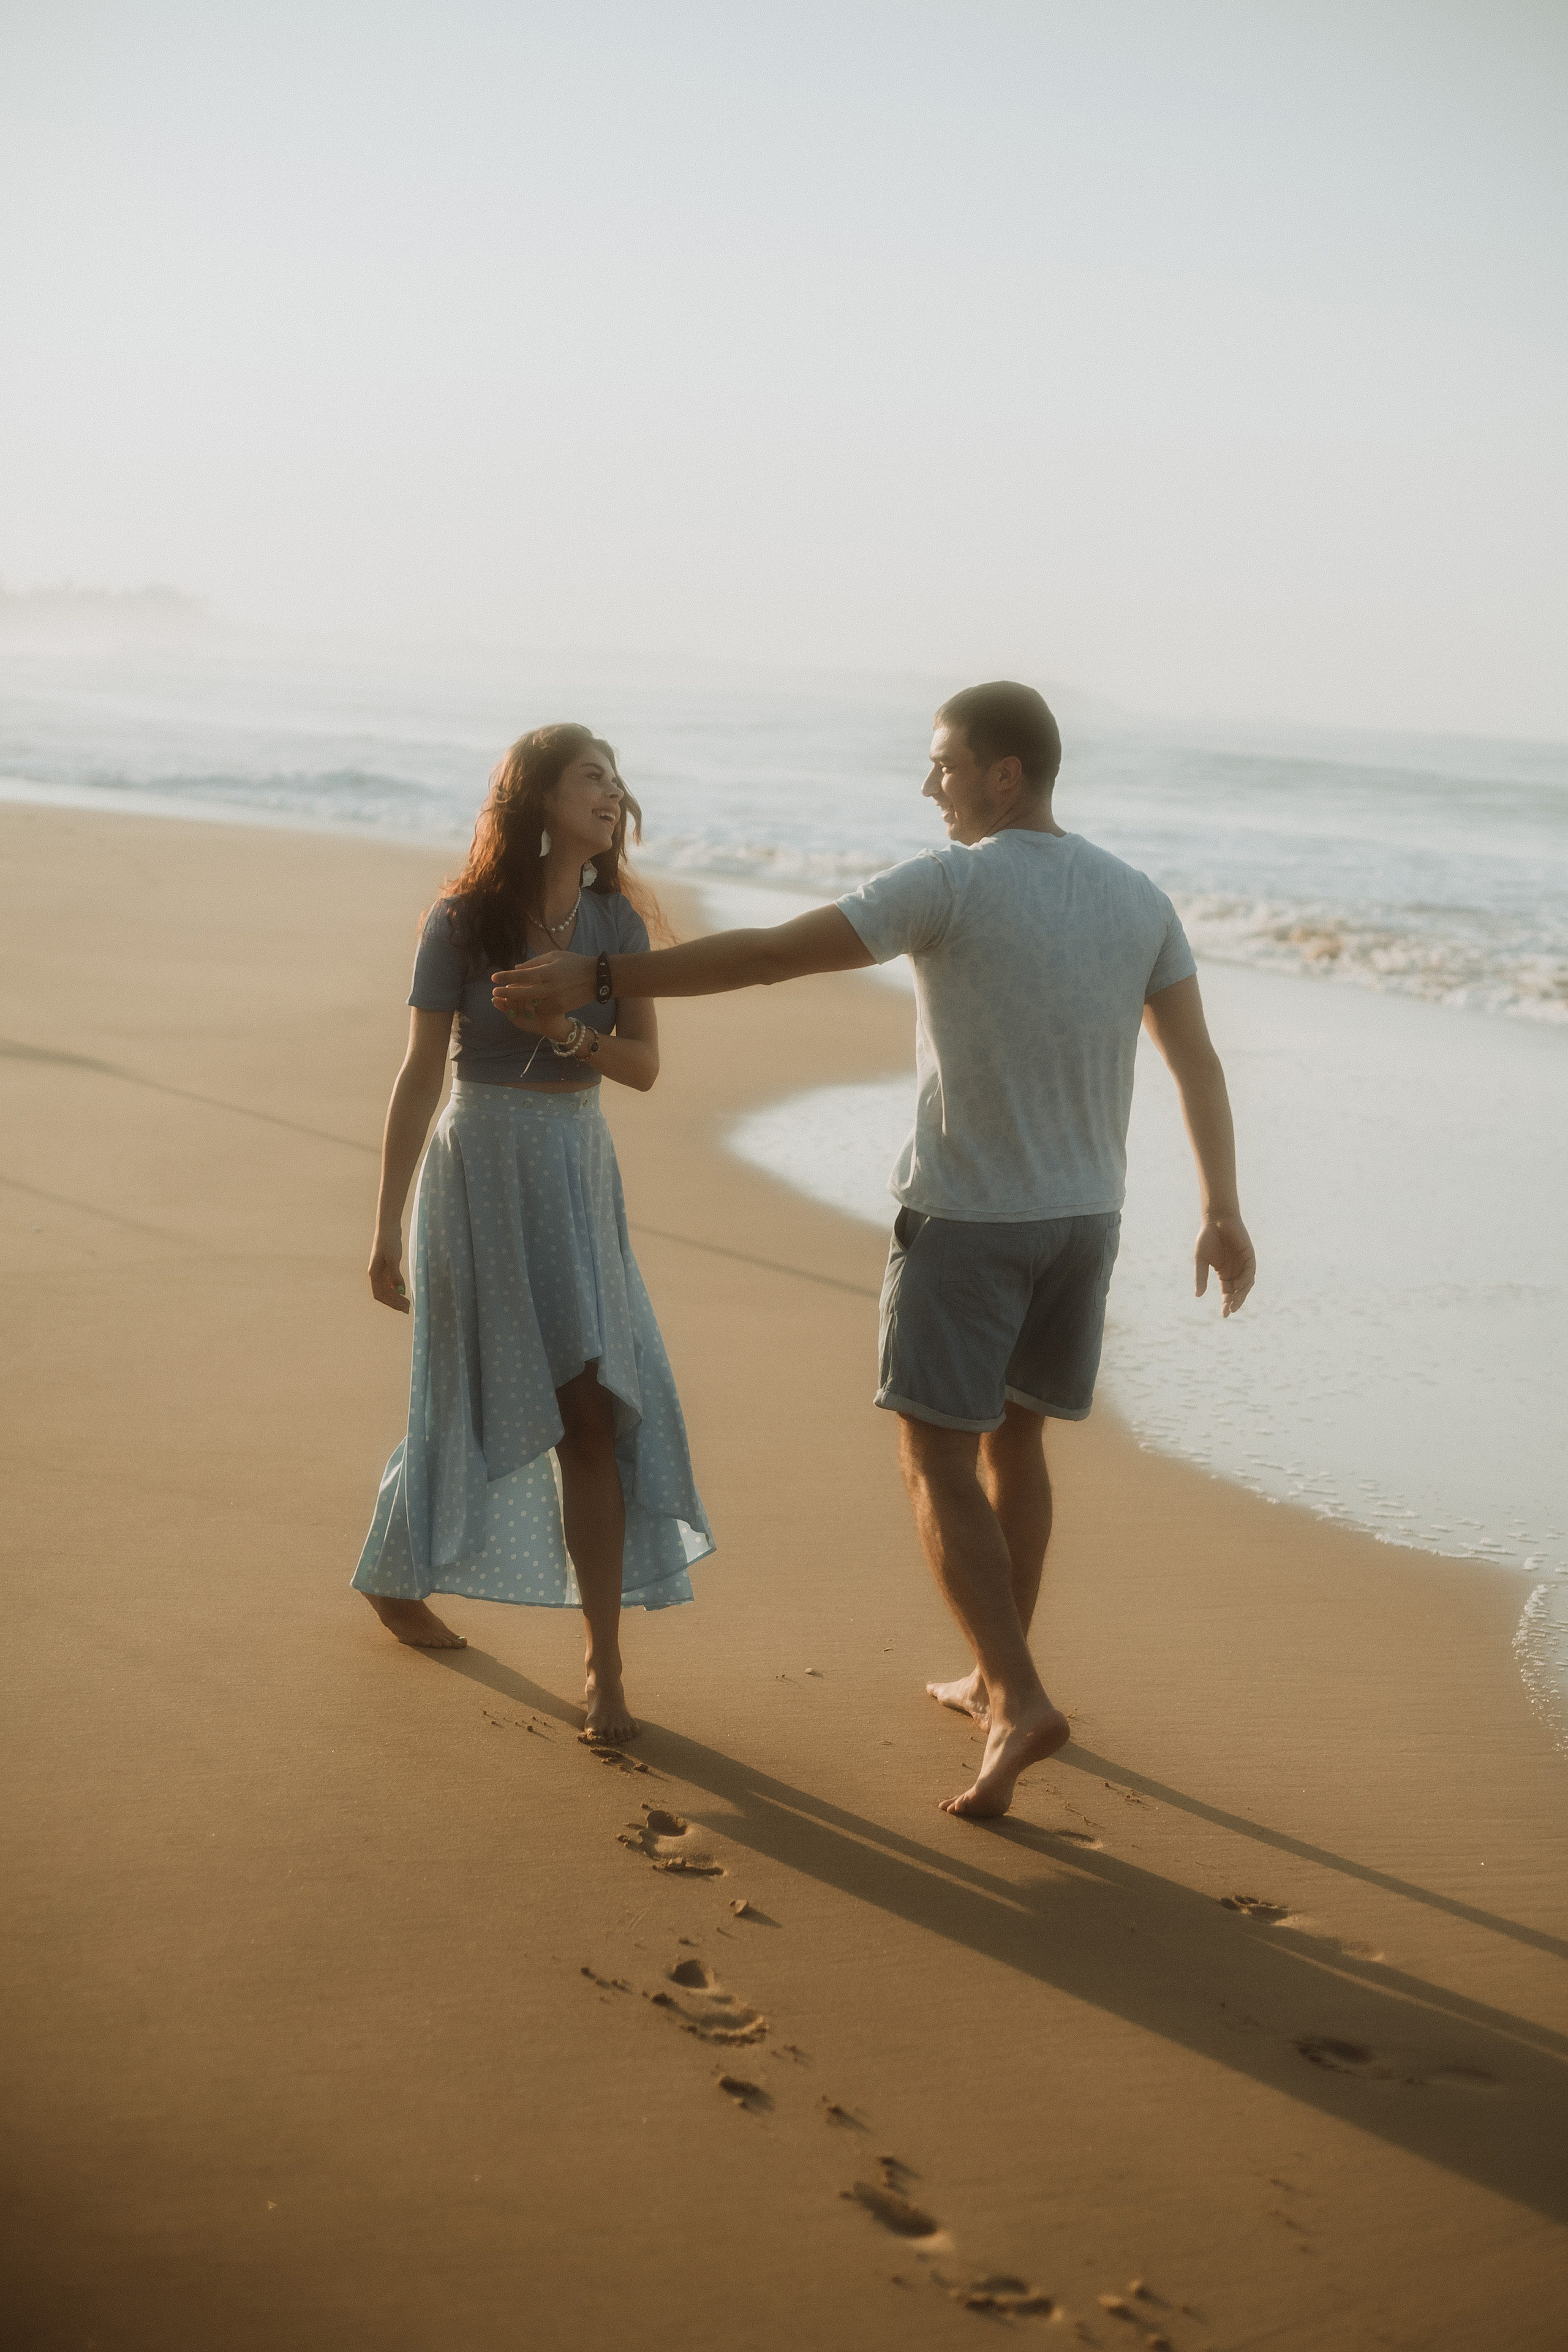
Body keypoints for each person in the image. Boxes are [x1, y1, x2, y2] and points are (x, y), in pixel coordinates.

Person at [494, 682, 1255, 1816]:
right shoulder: (1137, 898)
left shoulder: (950, 884)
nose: (928, 783)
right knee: (1020, 1448)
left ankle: (1018, 1697)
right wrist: (1222, 1207)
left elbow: (768, 956)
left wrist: (602, 976)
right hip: (1085, 1224)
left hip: (968, 1222)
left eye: (943, 763)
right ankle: (999, 1680)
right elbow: (1197, 1060)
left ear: (1005, 773)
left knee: (937, 1458)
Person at [353, 725, 714, 1744]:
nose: (612, 793)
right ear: (538, 798)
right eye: (590, 777)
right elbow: (422, 1069)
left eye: (616, 779)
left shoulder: (618, 927)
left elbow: (641, 1069)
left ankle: (603, 1665)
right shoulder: (464, 921)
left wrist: (568, 1028)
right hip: (479, 1169)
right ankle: (392, 1573)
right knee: (466, 1388)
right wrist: (385, 1224)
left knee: (593, 1408)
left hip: (573, 1164)